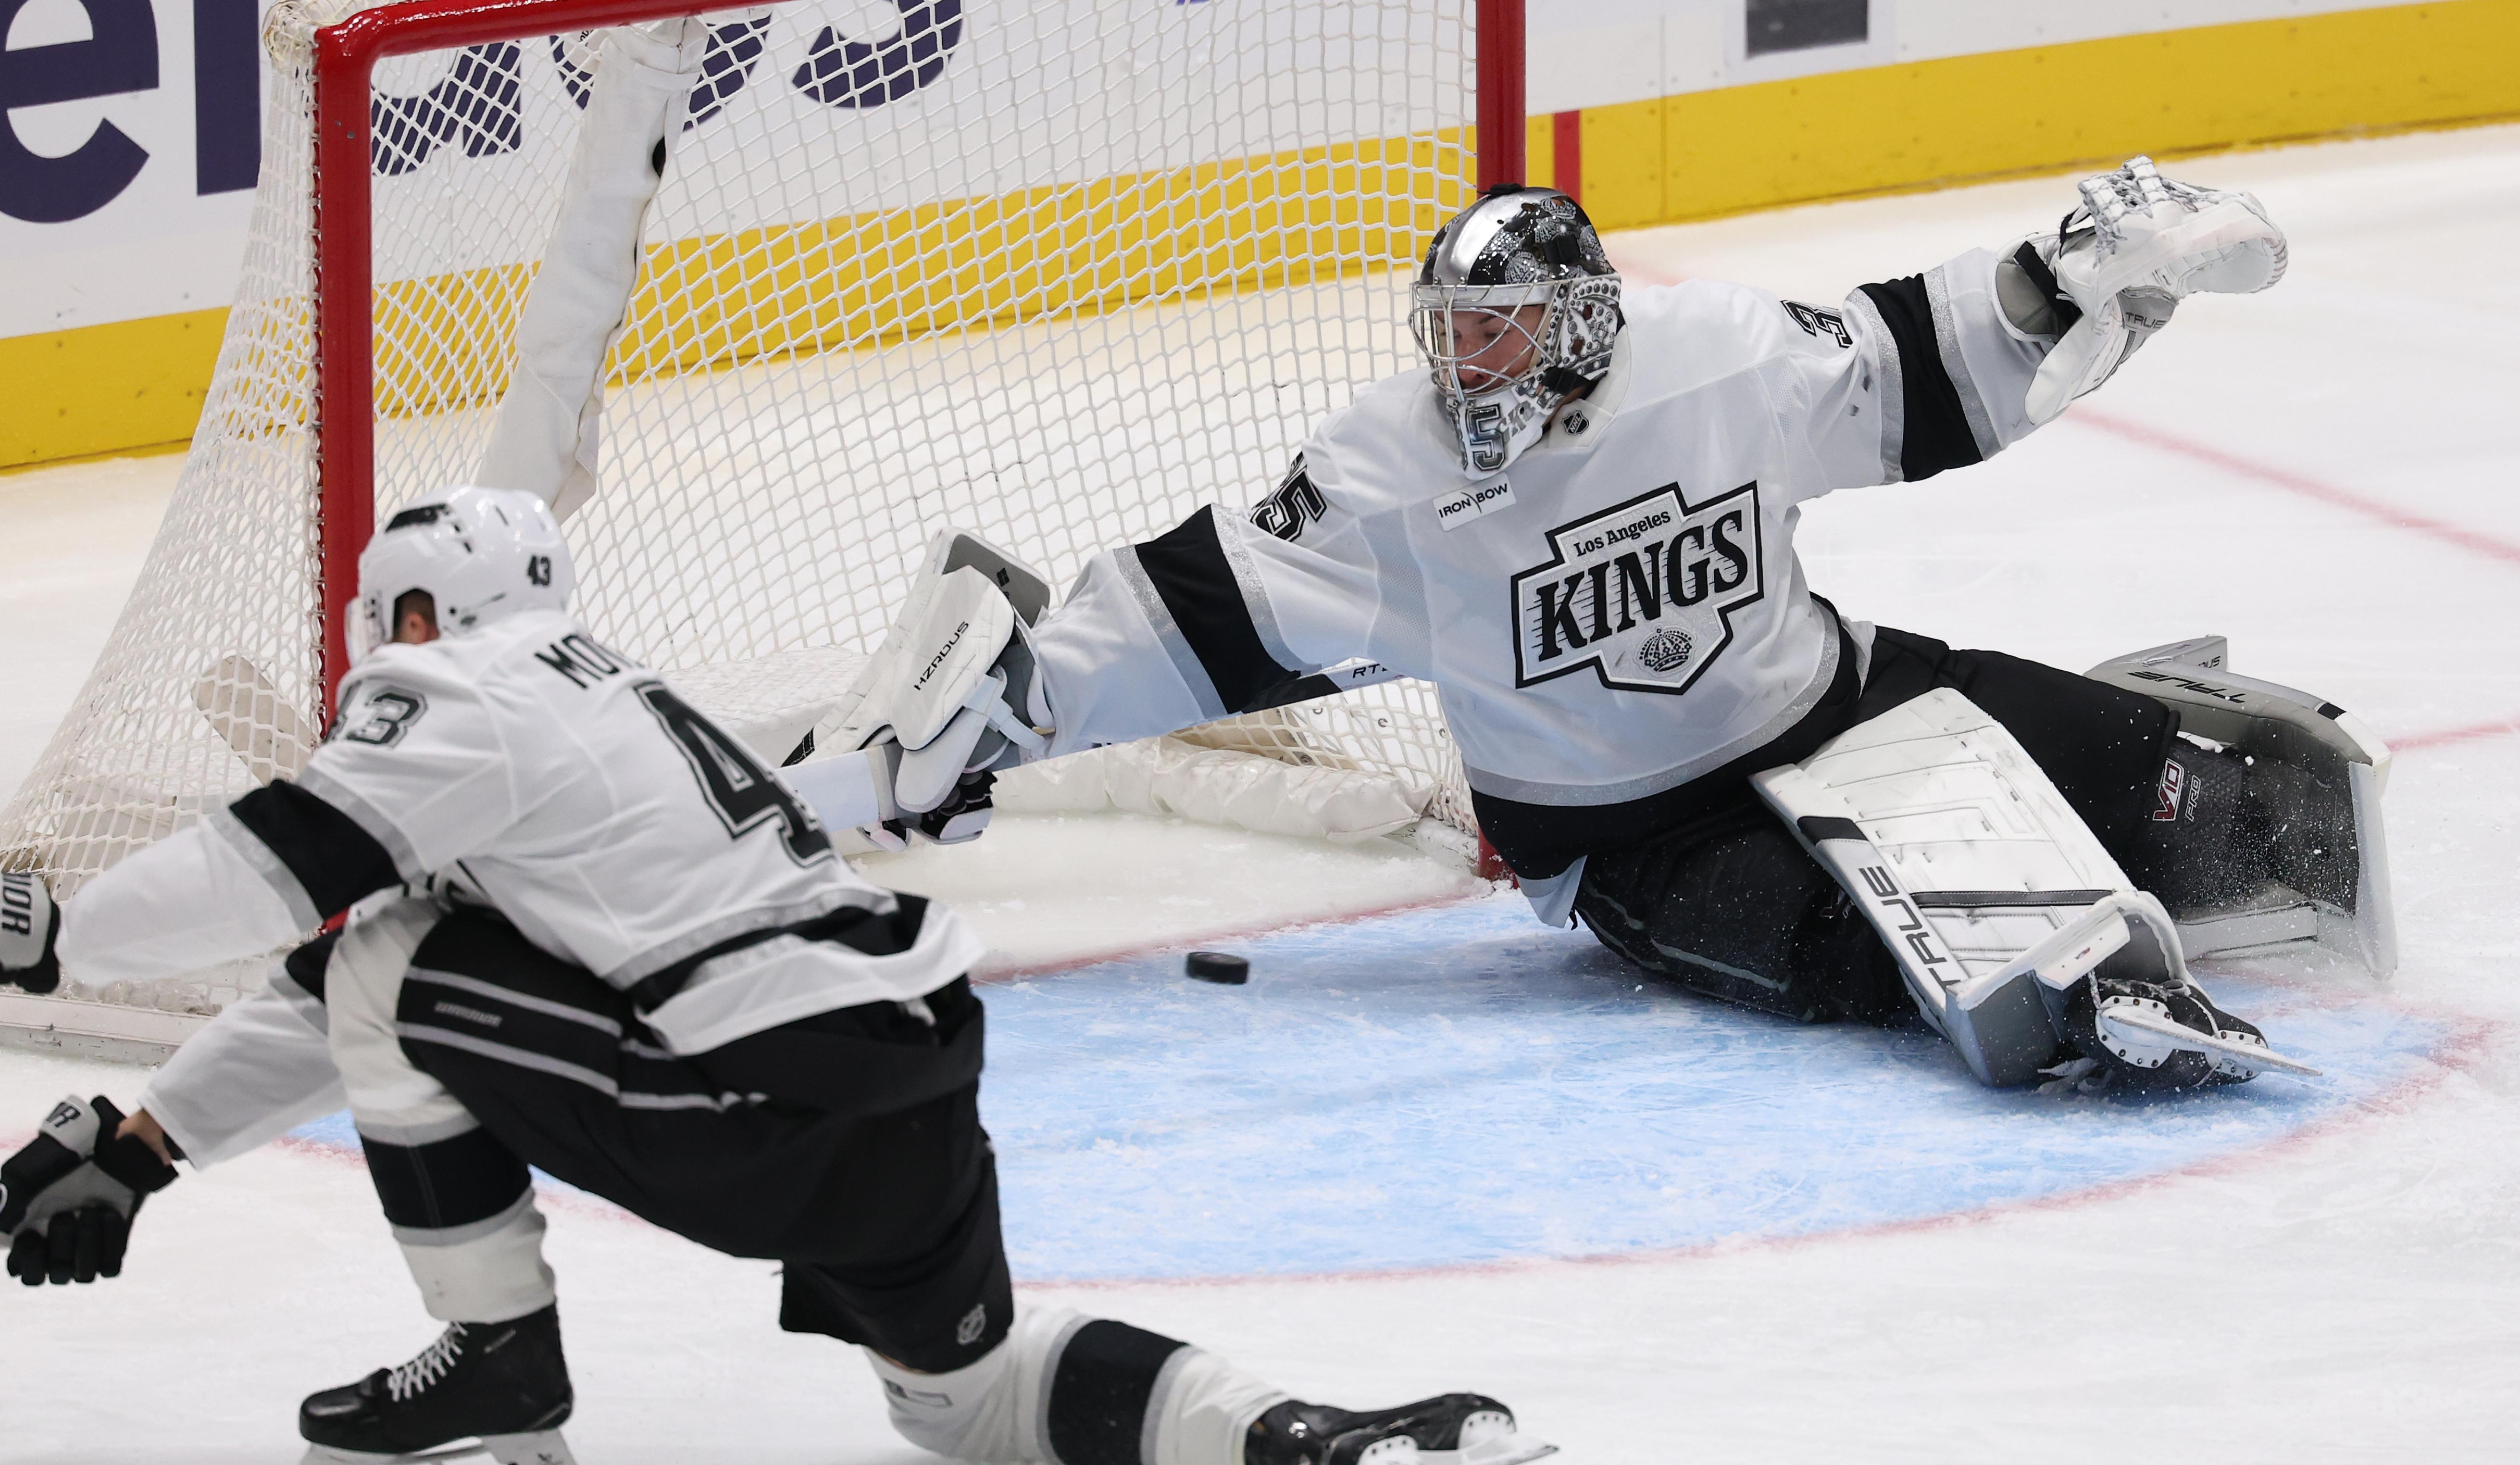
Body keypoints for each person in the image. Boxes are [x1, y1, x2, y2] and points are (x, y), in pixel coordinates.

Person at [0, 486, 1547, 1465]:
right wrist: (139, 1155)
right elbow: (334, 994)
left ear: (421, 606)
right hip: (913, 1063)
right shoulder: (602, 700)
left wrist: (27, 931)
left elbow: (280, 897)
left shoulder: (457, 694)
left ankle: (503, 1365)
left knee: (394, 954)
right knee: (970, 1408)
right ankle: (1295, 1438)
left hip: (767, 1088)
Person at [809, 158, 2367, 1093]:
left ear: (1586, 325)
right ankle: (2059, 985)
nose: (1466, 367)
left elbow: (1920, 369)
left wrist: (2070, 276)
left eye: (1498, 332)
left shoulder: (1717, 355)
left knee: (2224, 812)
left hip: (1835, 701)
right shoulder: (1387, 476)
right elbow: (1190, 618)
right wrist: (1004, 716)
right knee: (1847, 955)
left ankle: (2127, 758)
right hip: (1629, 840)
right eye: (1449, 335)